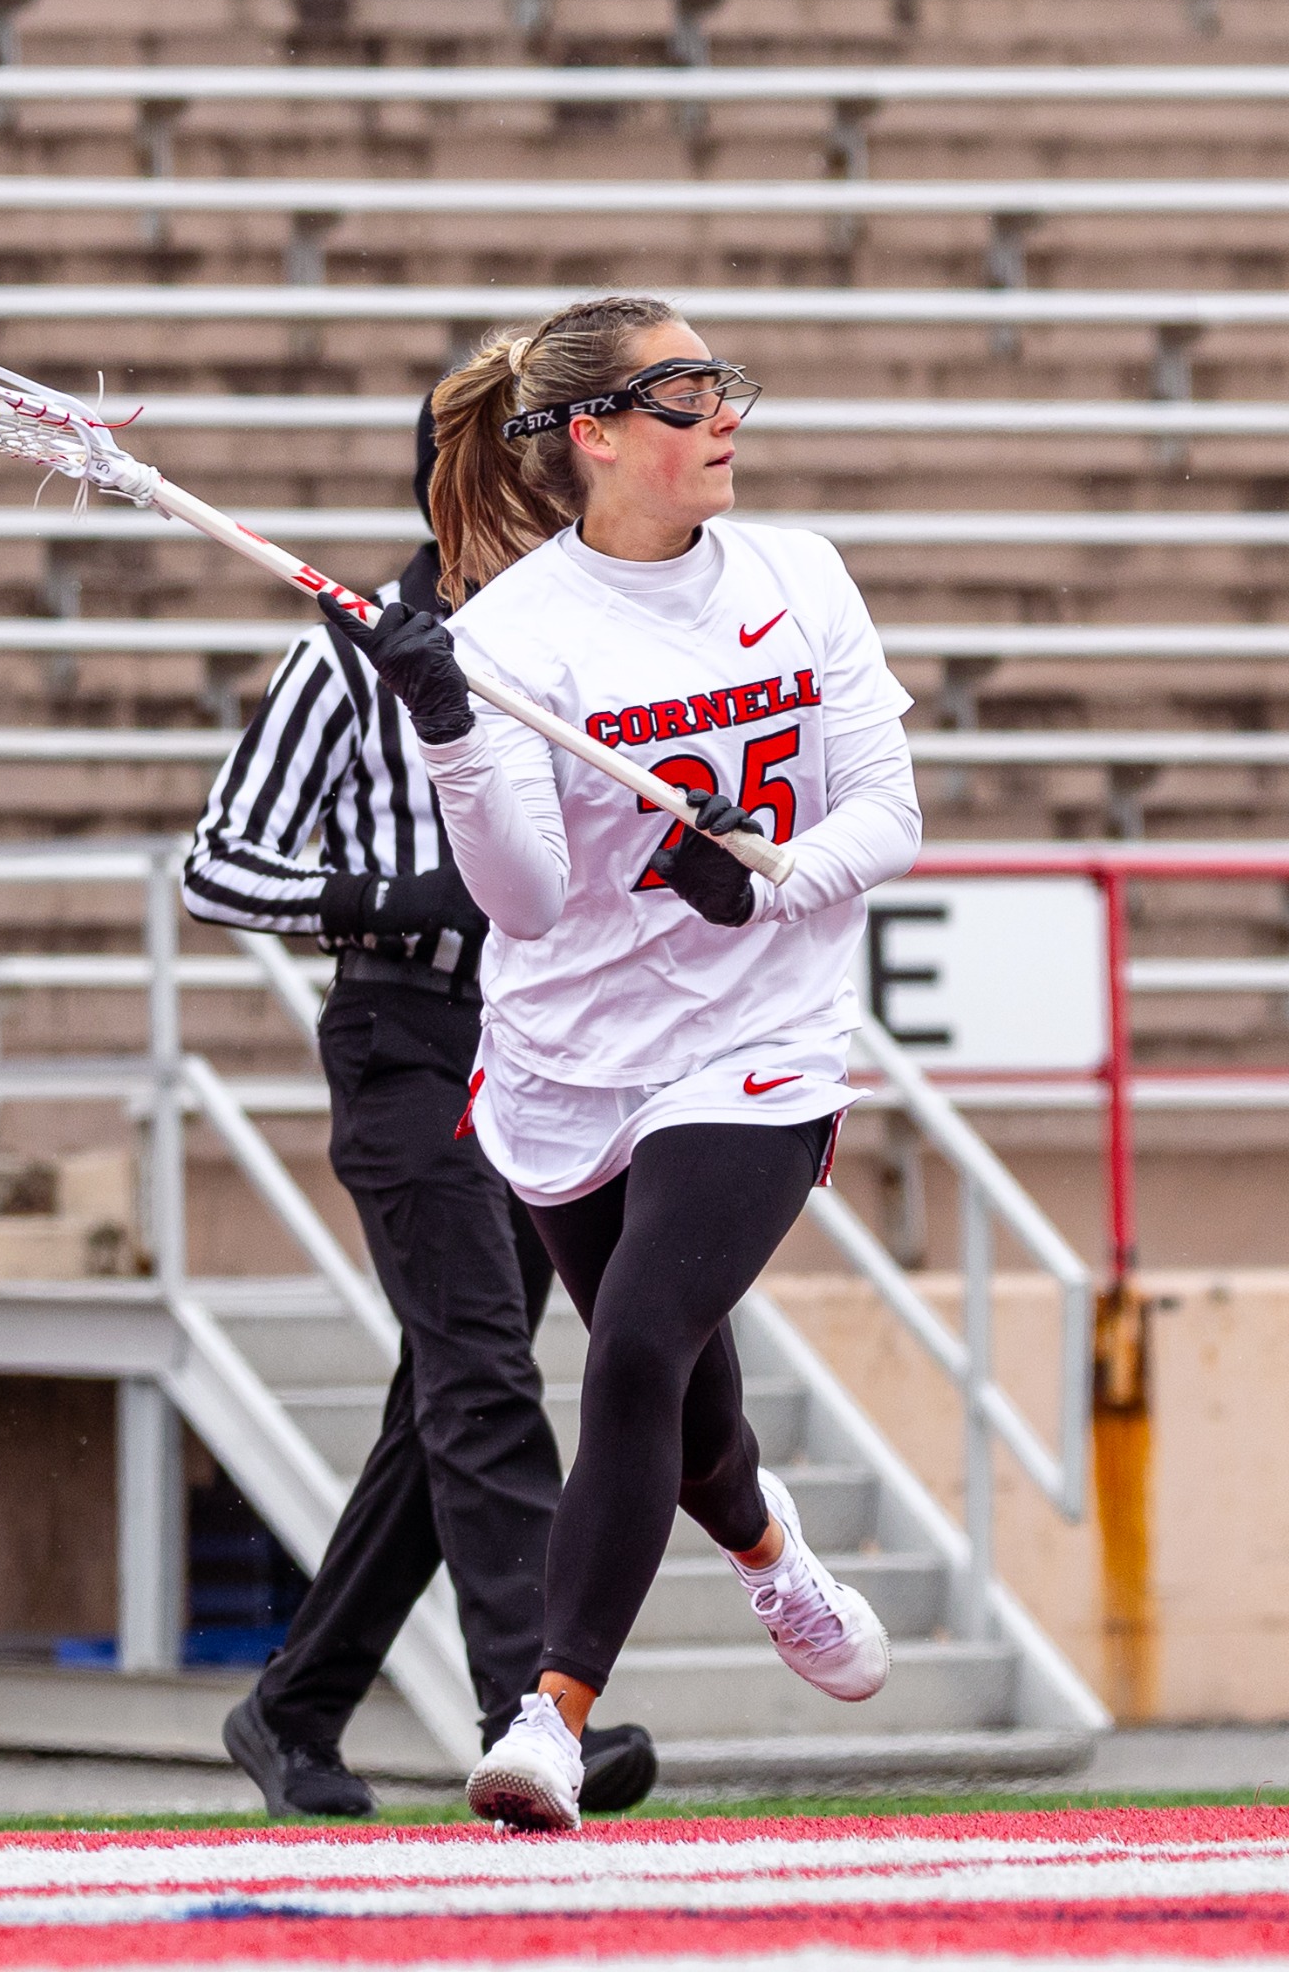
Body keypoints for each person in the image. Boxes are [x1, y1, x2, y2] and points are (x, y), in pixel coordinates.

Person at [322, 295, 923, 1833]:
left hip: (761, 1039)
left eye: (722, 381)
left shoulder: (800, 576)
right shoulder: (515, 636)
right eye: (680, 392)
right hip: (572, 1053)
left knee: (642, 1342)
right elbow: (520, 898)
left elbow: (888, 813)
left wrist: (774, 877)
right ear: (592, 436)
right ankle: (770, 1557)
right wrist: (450, 725)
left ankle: (548, 1717)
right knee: (690, 1403)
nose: (723, 411)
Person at [181, 393, 657, 1819]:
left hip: (541, 1042)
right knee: (483, 1379)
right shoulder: (345, 656)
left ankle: (292, 1706)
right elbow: (218, 868)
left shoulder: (571, 646)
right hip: (406, 1045)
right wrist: (388, 900)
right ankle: (535, 1712)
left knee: (442, 1401)